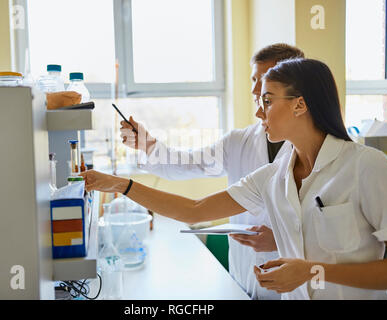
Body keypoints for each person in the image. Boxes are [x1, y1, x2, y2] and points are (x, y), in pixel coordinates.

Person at [81, 58, 387, 299]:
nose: (259, 112)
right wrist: (121, 185)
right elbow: (195, 210)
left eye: (268, 100)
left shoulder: (366, 168)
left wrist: (313, 272)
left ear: (300, 103)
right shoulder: (272, 177)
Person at [118, 43, 305, 300]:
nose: (254, 89)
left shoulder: (315, 150)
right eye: (254, 80)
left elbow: (333, 236)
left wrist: (282, 241)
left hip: (295, 286)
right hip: (243, 276)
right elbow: (189, 164)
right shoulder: (239, 142)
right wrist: (147, 144)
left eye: (263, 80)